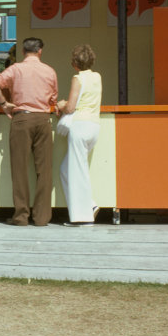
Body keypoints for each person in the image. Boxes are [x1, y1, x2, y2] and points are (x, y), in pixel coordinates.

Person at [0, 37, 59, 227]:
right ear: (40, 51)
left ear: (23, 52)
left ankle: (21, 216)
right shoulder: (49, 71)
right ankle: (41, 217)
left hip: (21, 118)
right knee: (44, 171)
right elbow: (53, 99)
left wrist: (4, 104)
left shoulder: (15, 69)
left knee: (19, 169)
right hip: (43, 119)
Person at [57, 44, 103, 226]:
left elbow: (71, 107)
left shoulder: (78, 78)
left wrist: (61, 104)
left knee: (77, 172)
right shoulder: (97, 77)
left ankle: (81, 217)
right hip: (94, 125)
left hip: (80, 126)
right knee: (66, 170)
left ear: (75, 63)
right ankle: (89, 205)